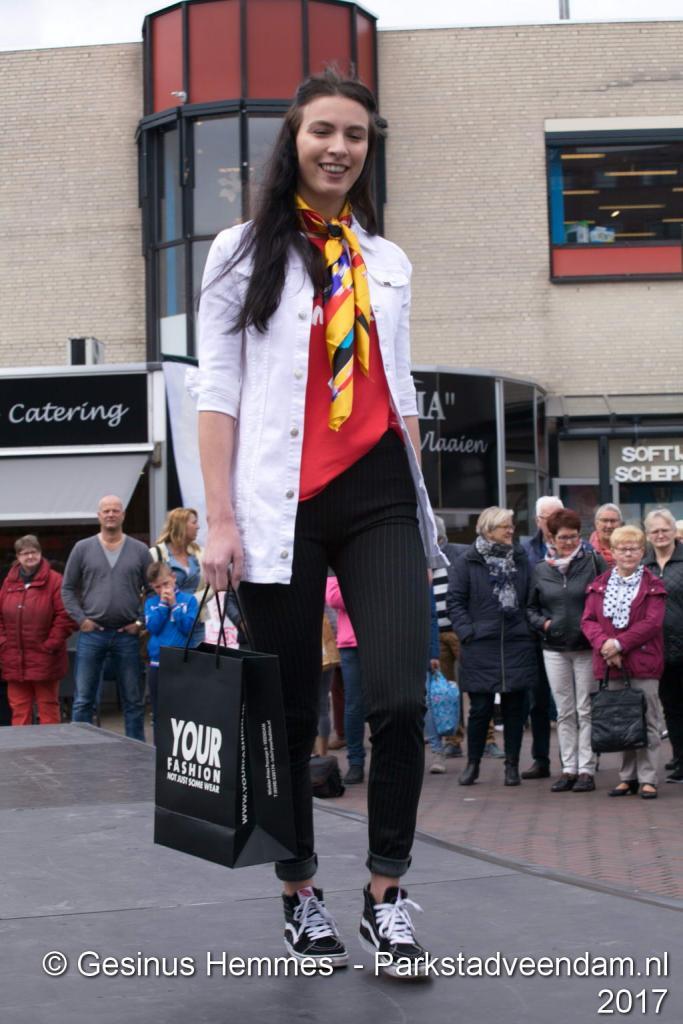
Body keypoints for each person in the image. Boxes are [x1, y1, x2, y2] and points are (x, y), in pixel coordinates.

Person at [197, 71, 443, 978]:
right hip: (277, 503)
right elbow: (217, 389)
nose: (339, 148)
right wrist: (219, 519)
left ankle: (386, 894)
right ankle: (299, 893)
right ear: (293, 141)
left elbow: (398, 383)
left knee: (400, 697)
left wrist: (421, 497)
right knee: (287, 714)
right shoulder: (239, 251)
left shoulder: (387, 259)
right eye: (323, 132)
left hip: (379, 489)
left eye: (355, 136)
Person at [447, 507, 537, 787]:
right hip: (480, 645)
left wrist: (527, 629)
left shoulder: (520, 558)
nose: (511, 530)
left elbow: (531, 598)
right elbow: (455, 601)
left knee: (514, 710)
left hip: (516, 643)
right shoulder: (467, 561)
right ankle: (472, 764)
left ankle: (512, 765)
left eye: (511, 525)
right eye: (504, 526)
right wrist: (467, 632)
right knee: (480, 709)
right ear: (488, 530)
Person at [581, 525, 666, 799]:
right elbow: (588, 621)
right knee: (622, 720)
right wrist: (606, 645)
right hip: (610, 663)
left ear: (642, 552)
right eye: (622, 548)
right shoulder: (599, 584)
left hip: (643, 661)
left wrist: (619, 644)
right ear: (613, 552)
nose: (628, 553)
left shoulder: (653, 584)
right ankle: (627, 777)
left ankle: (648, 778)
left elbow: (652, 623)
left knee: (648, 721)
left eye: (634, 548)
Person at [527, 509, 606, 792]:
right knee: (564, 711)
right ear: (551, 537)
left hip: (585, 646)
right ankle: (568, 768)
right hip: (554, 647)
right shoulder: (541, 568)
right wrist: (545, 624)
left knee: (586, 709)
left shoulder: (593, 562)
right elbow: (531, 608)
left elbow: (606, 599)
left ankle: (586, 769)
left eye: (574, 537)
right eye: (563, 537)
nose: (570, 543)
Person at [62, 495, 151, 742]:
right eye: (106, 511)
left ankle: (135, 751)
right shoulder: (82, 548)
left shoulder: (140, 550)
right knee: (83, 700)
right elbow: (67, 589)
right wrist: (81, 619)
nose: (111, 514)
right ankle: (81, 748)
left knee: (133, 700)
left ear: (123, 515)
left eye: (115, 510)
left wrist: (141, 622)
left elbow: (153, 590)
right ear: (99, 516)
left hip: (127, 636)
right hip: (92, 634)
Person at [0, 535, 76, 725]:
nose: (30, 556)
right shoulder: (9, 582)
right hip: (14, 658)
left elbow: (65, 616)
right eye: (25, 553)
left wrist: (51, 644)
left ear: (41, 553)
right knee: (19, 708)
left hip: (46, 657)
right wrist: (3, 643)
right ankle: (22, 745)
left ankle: (50, 745)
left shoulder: (55, 580)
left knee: (48, 708)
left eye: (33, 552)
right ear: (18, 557)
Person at [520, 495, 563, 780]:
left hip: (568, 636)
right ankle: (541, 759)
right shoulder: (525, 551)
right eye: (548, 517)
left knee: (569, 703)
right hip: (536, 635)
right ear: (538, 521)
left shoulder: (576, 547)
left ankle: (572, 761)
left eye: (558, 515)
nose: (554, 522)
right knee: (537, 702)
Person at [643, 508, 683, 783]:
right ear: (648, 535)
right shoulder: (644, 566)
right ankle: (679, 757)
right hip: (658, 648)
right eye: (654, 531)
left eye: (664, 530)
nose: (660, 535)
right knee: (671, 706)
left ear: (673, 532)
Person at [144, 561, 198, 743]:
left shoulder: (189, 600)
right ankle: (159, 749)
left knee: (184, 710)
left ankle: (182, 748)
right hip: (158, 664)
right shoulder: (151, 603)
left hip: (182, 663)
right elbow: (153, 628)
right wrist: (162, 605)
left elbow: (188, 628)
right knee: (159, 711)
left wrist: (175, 605)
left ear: (174, 578)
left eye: (166, 584)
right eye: (157, 587)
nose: (162, 590)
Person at [325, 575, 365, 785]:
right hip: (351, 645)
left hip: (382, 638)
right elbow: (333, 598)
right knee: (354, 704)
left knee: (385, 701)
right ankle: (356, 761)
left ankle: (388, 758)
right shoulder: (337, 565)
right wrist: (367, 586)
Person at [150, 508, 207, 646]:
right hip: (166, 623)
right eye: (194, 522)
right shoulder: (155, 553)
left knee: (196, 658)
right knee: (169, 659)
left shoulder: (201, 553)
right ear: (181, 525)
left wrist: (191, 600)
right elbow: (148, 587)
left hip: (195, 622)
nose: (198, 526)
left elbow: (211, 586)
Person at [589, 503, 623, 569]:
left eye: (613, 521)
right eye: (605, 520)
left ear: (620, 524)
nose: (609, 526)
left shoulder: (631, 550)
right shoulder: (586, 552)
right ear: (596, 523)